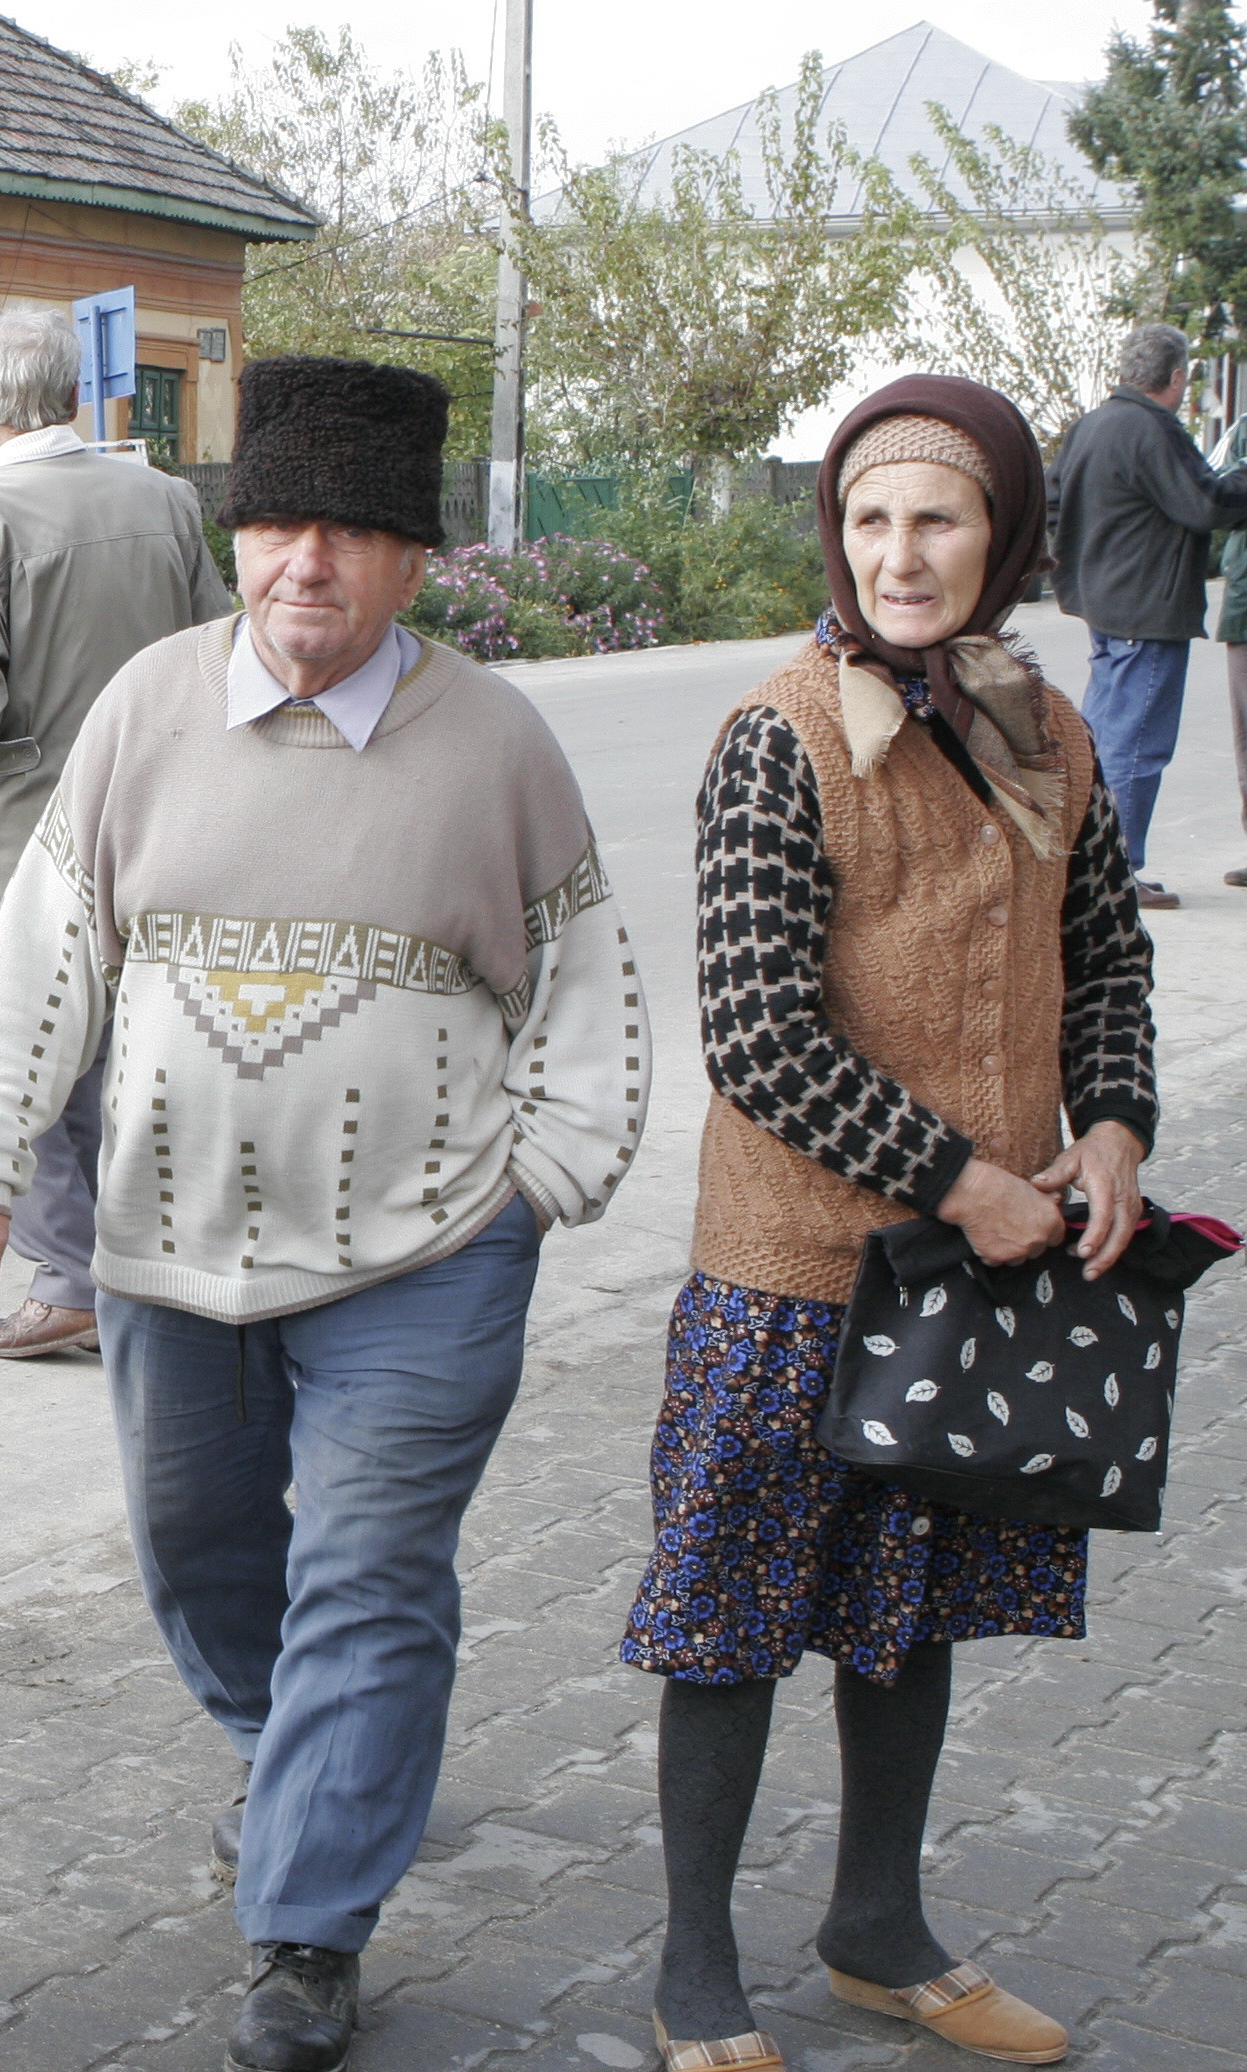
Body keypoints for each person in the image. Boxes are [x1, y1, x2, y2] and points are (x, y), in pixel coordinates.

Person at [0, 355, 644, 2072]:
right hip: (167, 1254)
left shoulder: (496, 742)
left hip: (425, 1257)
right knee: (195, 1551)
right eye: (275, 527)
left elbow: (586, 994)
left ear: (411, 560)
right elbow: (35, 968)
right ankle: (300, 1750)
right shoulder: (143, 713)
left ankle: (305, 1924)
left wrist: (533, 1191)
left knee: (370, 1578)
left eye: (349, 532)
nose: (304, 563)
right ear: (235, 541)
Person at [625, 376, 1153, 2072]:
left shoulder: (1042, 730)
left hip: (971, 1279)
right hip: (791, 1272)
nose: (897, 553)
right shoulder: (780, 734)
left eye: (932, 518)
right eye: (865, 520)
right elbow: (756, 1033)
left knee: (906, 1604)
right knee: (728, 1615)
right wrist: (967, 1181)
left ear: (996, 532)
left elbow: (1107, 959)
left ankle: (874, 1922)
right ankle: (689, 1966)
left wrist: (1112, 1127)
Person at [0, 307, 230, 1361]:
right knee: (144, 1035)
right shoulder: (166, 501)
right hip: (164, 799)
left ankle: (70, 1277)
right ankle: (156, 1256)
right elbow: (218, 645)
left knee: (29, 1035)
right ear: (81, 397)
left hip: (26, 813)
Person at [1047, 321, 1247, 907]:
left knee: (1102, 738)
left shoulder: (1093, 424)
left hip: (1106, 604)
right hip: (1147, 608)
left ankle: (1090, 868)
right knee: (1137, 743)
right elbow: (1203, 502)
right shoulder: (1151, 427)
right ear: (1177, 377)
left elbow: (1052, 499)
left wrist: (1081, 563)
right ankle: (1119, 872)